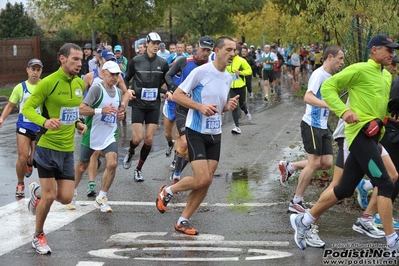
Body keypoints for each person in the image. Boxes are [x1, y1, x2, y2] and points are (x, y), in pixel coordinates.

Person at [290, 34, 399, 252]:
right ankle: (392, 242)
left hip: (373, 136)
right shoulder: (359, 69)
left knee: (345, 188)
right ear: (374, 50)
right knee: (386, 183)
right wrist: (344, 111)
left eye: (393, 50)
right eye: (388, 49)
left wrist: (390, 115)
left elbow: (382, 109)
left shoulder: (386, 77)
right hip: (359, 135)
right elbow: (329, 87)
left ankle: (304, 221)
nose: (392, 54)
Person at [155, 36, 239, 235]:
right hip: (196, 131)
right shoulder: (201, 72)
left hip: (215, 133)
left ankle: (182, 221)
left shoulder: (228, 76)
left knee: (206, 180)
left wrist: (227, 106)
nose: (233, 54)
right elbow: (177, 95)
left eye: (234, 50)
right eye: (229, 50)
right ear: (217, 51)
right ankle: (167, 190)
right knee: (201, 178)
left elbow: (218, 105)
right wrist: (199, 106)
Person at [22, 43, 87, 255]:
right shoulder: (48, 83)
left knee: (67, 197)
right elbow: (27, 108)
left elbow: (70, 110)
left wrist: (78, 122)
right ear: (62, 59)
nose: (79, 63)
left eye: (80, 59)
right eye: (75, 59)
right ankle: (38, 235)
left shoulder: (78, 83)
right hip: (47, 146)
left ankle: (36, 191)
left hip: (67, 149)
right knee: (50, 197)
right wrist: (44, 122)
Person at [280, 45, 344, 215]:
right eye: (340, 58)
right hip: (311, 124)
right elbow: (307, 97)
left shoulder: (330, 76)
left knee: (326, 163)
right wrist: (327, 105)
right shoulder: (319, 74)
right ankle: (296, 201)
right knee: (314, 163)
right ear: (330, 57)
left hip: (322, 125)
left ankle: (290, 166)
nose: (342, 62)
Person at [66, 49, 131, 208]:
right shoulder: (96, 89)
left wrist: (119, 115)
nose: (115, 78)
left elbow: (115, 112)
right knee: (82, 165)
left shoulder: (117, 91)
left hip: (109, 134)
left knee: (113, 163)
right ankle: (71, 193)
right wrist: (101, 111)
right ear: (104, 72)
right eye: (112, 74)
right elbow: (81, 109)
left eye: (117, 75)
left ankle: (102, 197)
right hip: (92, 132)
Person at [164, 36, 214, 183]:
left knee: (192, 148)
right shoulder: (184, 61)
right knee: (184, 142)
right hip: (183, 108)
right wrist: (175, 90)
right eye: (203, 49)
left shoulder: (212, 66)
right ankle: (177, 176)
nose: (205, 53)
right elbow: (168, 75)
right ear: (196, 47)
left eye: (208, 50)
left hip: (199, 110)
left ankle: (178, 168)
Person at [122, 32, 169, 181]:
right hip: (138, 103)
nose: (156, 46)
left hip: (154, 105)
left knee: (148, 140)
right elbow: (125, 79)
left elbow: (167, 82)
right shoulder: (135, 61)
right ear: (147, 44)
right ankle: (130, 152)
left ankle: (138, 169)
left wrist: (167, 92)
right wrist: (127, 90)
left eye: (158, 44)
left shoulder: (163, 63)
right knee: (137, 139)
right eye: (153, 43)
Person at [0, 58, 43, 197]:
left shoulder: (44, 86)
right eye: (33, 69)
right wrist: (1, 118)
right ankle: (20, 183)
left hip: (39, 126)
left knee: (33, 157)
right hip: (24, 125)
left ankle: (30, 163)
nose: (35, 73)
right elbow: (10, 105)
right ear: (27, 70)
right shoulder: (20, 87)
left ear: (41, 71)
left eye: (38, 70)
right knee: (22, 157)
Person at [226, 46, 252, 134]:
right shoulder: (227, 60)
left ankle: (246, 110)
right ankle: (237, 127)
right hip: (232, 87)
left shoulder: (241, 60)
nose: (233, 52)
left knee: (242, 105)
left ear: (238, 51)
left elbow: (249, 71)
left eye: (235, 50)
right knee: (234, 106)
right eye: (231, 50)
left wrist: (240, 73)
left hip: (241, 86)